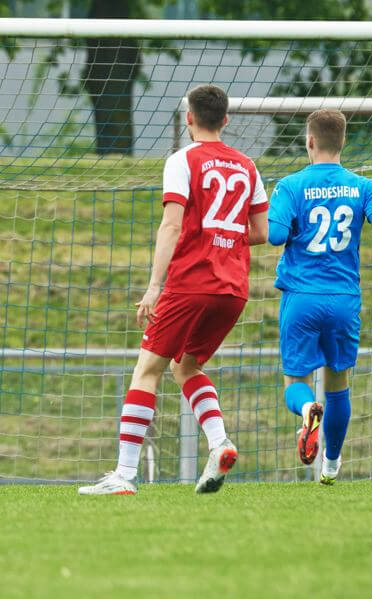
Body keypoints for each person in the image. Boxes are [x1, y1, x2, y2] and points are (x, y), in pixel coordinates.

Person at [79, 84, 269, 495]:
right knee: (187, 366)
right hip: (233, 288)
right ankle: (220, 443)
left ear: (189, 118)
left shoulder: (182, 160)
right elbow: (261, 232)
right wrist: (223, 236)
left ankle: (125, 475)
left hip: (191, 283)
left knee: (147, 370)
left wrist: (153, 286)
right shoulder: (248, 166)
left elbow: (171, 223)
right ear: (226, 119)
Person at [268, 109, 372, 484]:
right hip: (343, 298)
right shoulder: (364, 187)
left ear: (309, 142)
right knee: (339, 384)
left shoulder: (290, 185)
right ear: (343, 142)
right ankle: (331, 466)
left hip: (301, 296)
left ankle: (308, 409)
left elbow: (275, 236)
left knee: (296, 383)